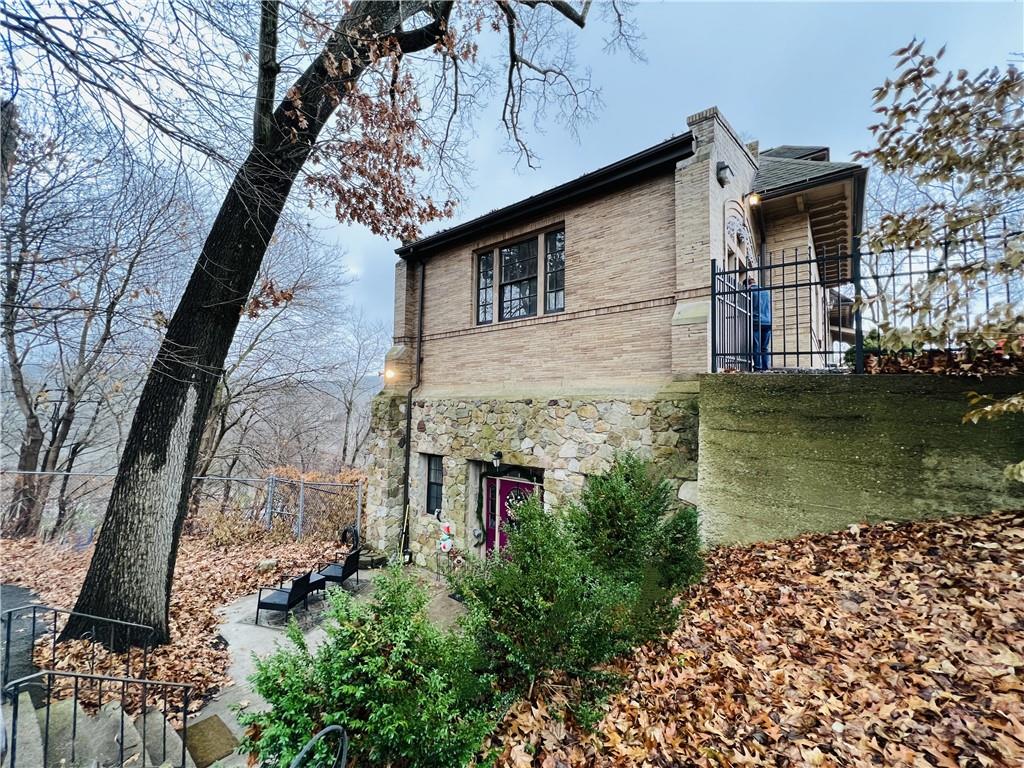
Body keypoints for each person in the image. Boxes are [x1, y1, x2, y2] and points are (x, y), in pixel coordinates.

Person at [746, 274, 772, 370]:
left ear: (747, 285)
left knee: (756, 345)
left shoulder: (749, 291)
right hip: (768, 322)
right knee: (765, 347)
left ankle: (757, 367)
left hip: (756, 322)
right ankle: (766, 368)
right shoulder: (766, 292)